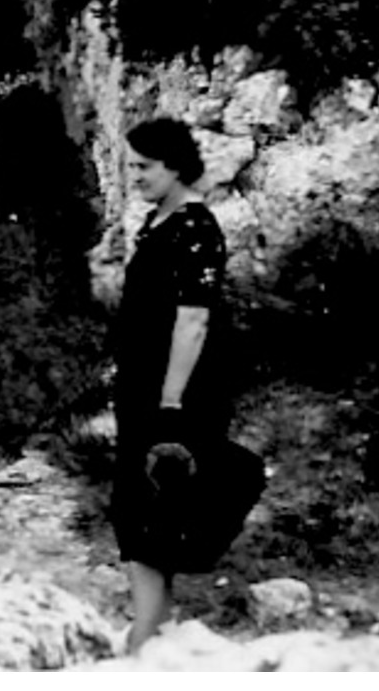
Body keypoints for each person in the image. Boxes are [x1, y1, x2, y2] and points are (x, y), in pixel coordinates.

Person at [110, 117, 232, 652]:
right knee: (140, 511)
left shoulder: (196, 228)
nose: (134, 176)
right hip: (143, 384)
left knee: (151, 512)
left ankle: (146, 637)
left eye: (144, 166)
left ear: (176, 166)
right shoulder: (155, 220)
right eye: (130, 165)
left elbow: (194, 320)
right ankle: (152, 631)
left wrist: (170, 403)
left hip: (174, 392)